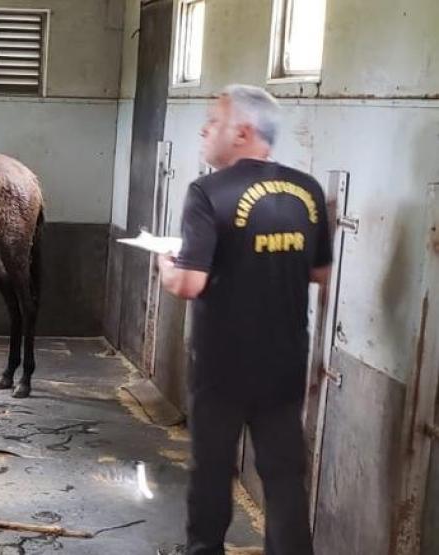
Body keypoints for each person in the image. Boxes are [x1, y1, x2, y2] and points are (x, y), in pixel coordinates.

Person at [158, 84, 332, 555]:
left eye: (213, 122)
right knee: (283, 474)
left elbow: (190, 285)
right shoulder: (308, 191)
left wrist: (166, 267)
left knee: (212, 470)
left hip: (222, 364)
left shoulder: (208, 192)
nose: (203, 129)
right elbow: (319, 272)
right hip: (285, 360)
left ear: (243, 131)